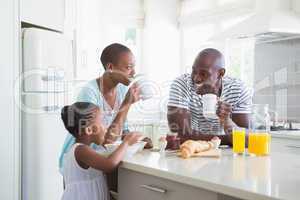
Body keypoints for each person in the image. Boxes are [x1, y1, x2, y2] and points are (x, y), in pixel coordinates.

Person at [59, 43, 152, 172]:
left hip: (101, 159)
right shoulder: (89, 92)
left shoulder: (122, 90)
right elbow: (105, 140)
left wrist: (138, 141)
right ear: (110, 67)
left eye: (134, 67)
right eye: (129, 67)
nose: (134, 73)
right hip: (81, 163)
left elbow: (121, 129)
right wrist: (126, 105)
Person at [167, 48, 252, 145]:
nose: (196, 78)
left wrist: (226, 120)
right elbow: (178, 134)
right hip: (193, 149)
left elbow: (248, 136)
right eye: (194, 71)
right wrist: (228, 139)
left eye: (203, 74)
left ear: (220, 73)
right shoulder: (182, 84)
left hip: (226, 154)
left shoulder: (237, 89)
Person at [60, 102, 141, 200]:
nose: (106, 127)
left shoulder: (84, 151)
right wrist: (126, 142)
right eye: (102, 122)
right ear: (89, 129)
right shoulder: (80, 150)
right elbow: (109, 164)